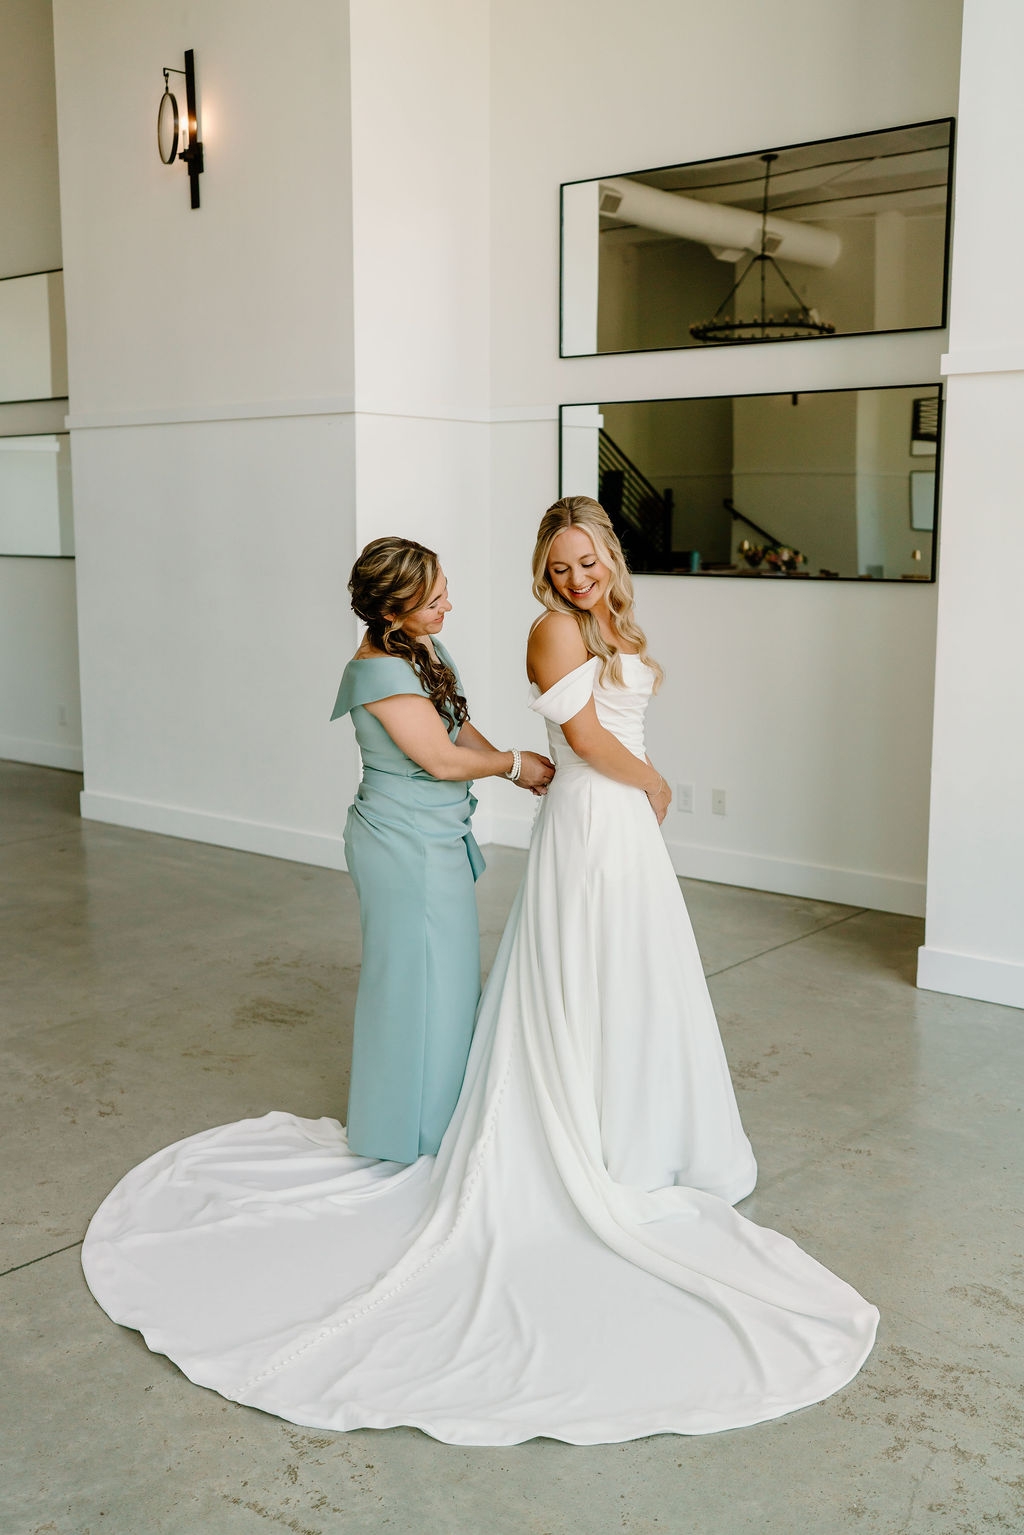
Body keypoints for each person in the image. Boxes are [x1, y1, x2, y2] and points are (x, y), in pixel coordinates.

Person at [82, 499, 878, 1446]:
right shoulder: (492, 641)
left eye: (588, 559)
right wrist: (627, 778)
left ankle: (609, 1126)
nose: (575, 575)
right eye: (561, 562)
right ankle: (433, 1132)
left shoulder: (542, 632)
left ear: (607, 557)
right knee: (472, 983)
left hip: (565, 822)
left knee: (578, 983)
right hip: (525, 818)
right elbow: (539, 744)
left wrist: (577, 772)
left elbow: (514, 727)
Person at [330, 536, 552, 1163]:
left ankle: (442, 1118)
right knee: (413, 988)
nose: (447, 606)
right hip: (402, 844)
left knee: (447, 985)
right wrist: (512, 766)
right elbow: (437, 757)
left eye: (444, 591)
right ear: (391, 609)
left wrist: (519, 761)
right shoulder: (377, 669)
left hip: (435, 836)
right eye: (433, 601)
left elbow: (454, 725)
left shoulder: (420, 645)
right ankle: (408, 1136)